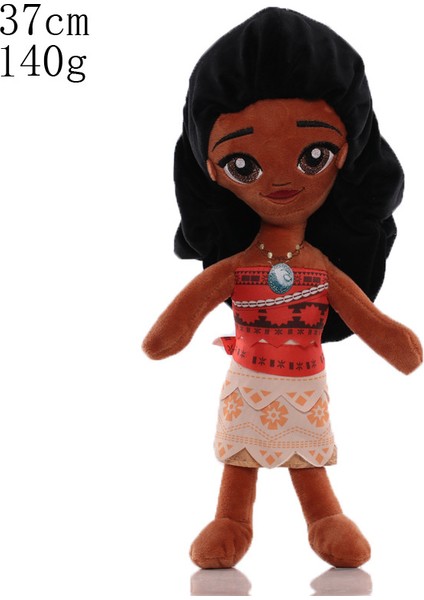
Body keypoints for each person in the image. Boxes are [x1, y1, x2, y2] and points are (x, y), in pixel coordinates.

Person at [143, 8, 422, 569]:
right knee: (242, 450)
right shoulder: (236, 268)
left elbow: (369, 321)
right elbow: (173, 328)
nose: (281, 181)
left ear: (348, 154)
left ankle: (323, 518)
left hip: (303, 383)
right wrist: (166, 338)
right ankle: (232, 519)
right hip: (248, 379)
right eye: (243, 164)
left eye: (314, 155)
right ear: (211, 170)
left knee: (305, 449)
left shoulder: (322, 270)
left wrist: (397, 344)